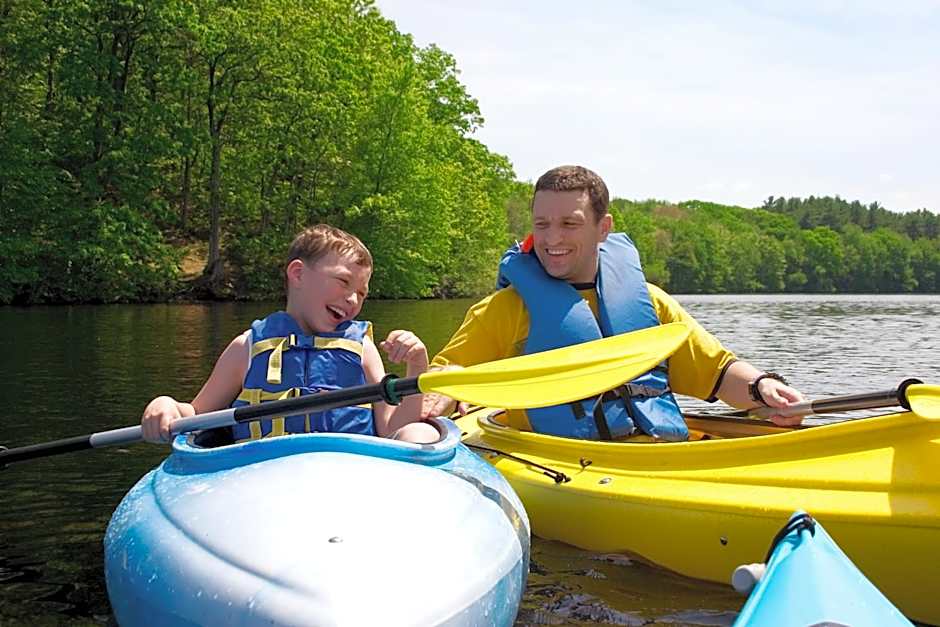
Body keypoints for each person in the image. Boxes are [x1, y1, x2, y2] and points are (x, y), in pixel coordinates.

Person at [422, 165, 805, 441]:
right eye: (541, 224)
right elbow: (448, 372)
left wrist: (764, 387)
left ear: (602, 228)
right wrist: (444, 387)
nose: (552, 238)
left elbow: (718, 373)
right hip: (561, 460)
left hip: (655, 452)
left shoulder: (652, 304)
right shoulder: (506, 309)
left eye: (569, 224)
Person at [142, 224, 438, 445]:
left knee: (420, 432)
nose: (352, 300)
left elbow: (391, 429)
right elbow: (195, 415)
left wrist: (416, 367)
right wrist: (167, 405)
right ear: (298, 274)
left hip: (348, 473)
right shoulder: (246, 348)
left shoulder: (362, 349)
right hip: (267, 477)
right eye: (343, 282)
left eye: (361, 293)